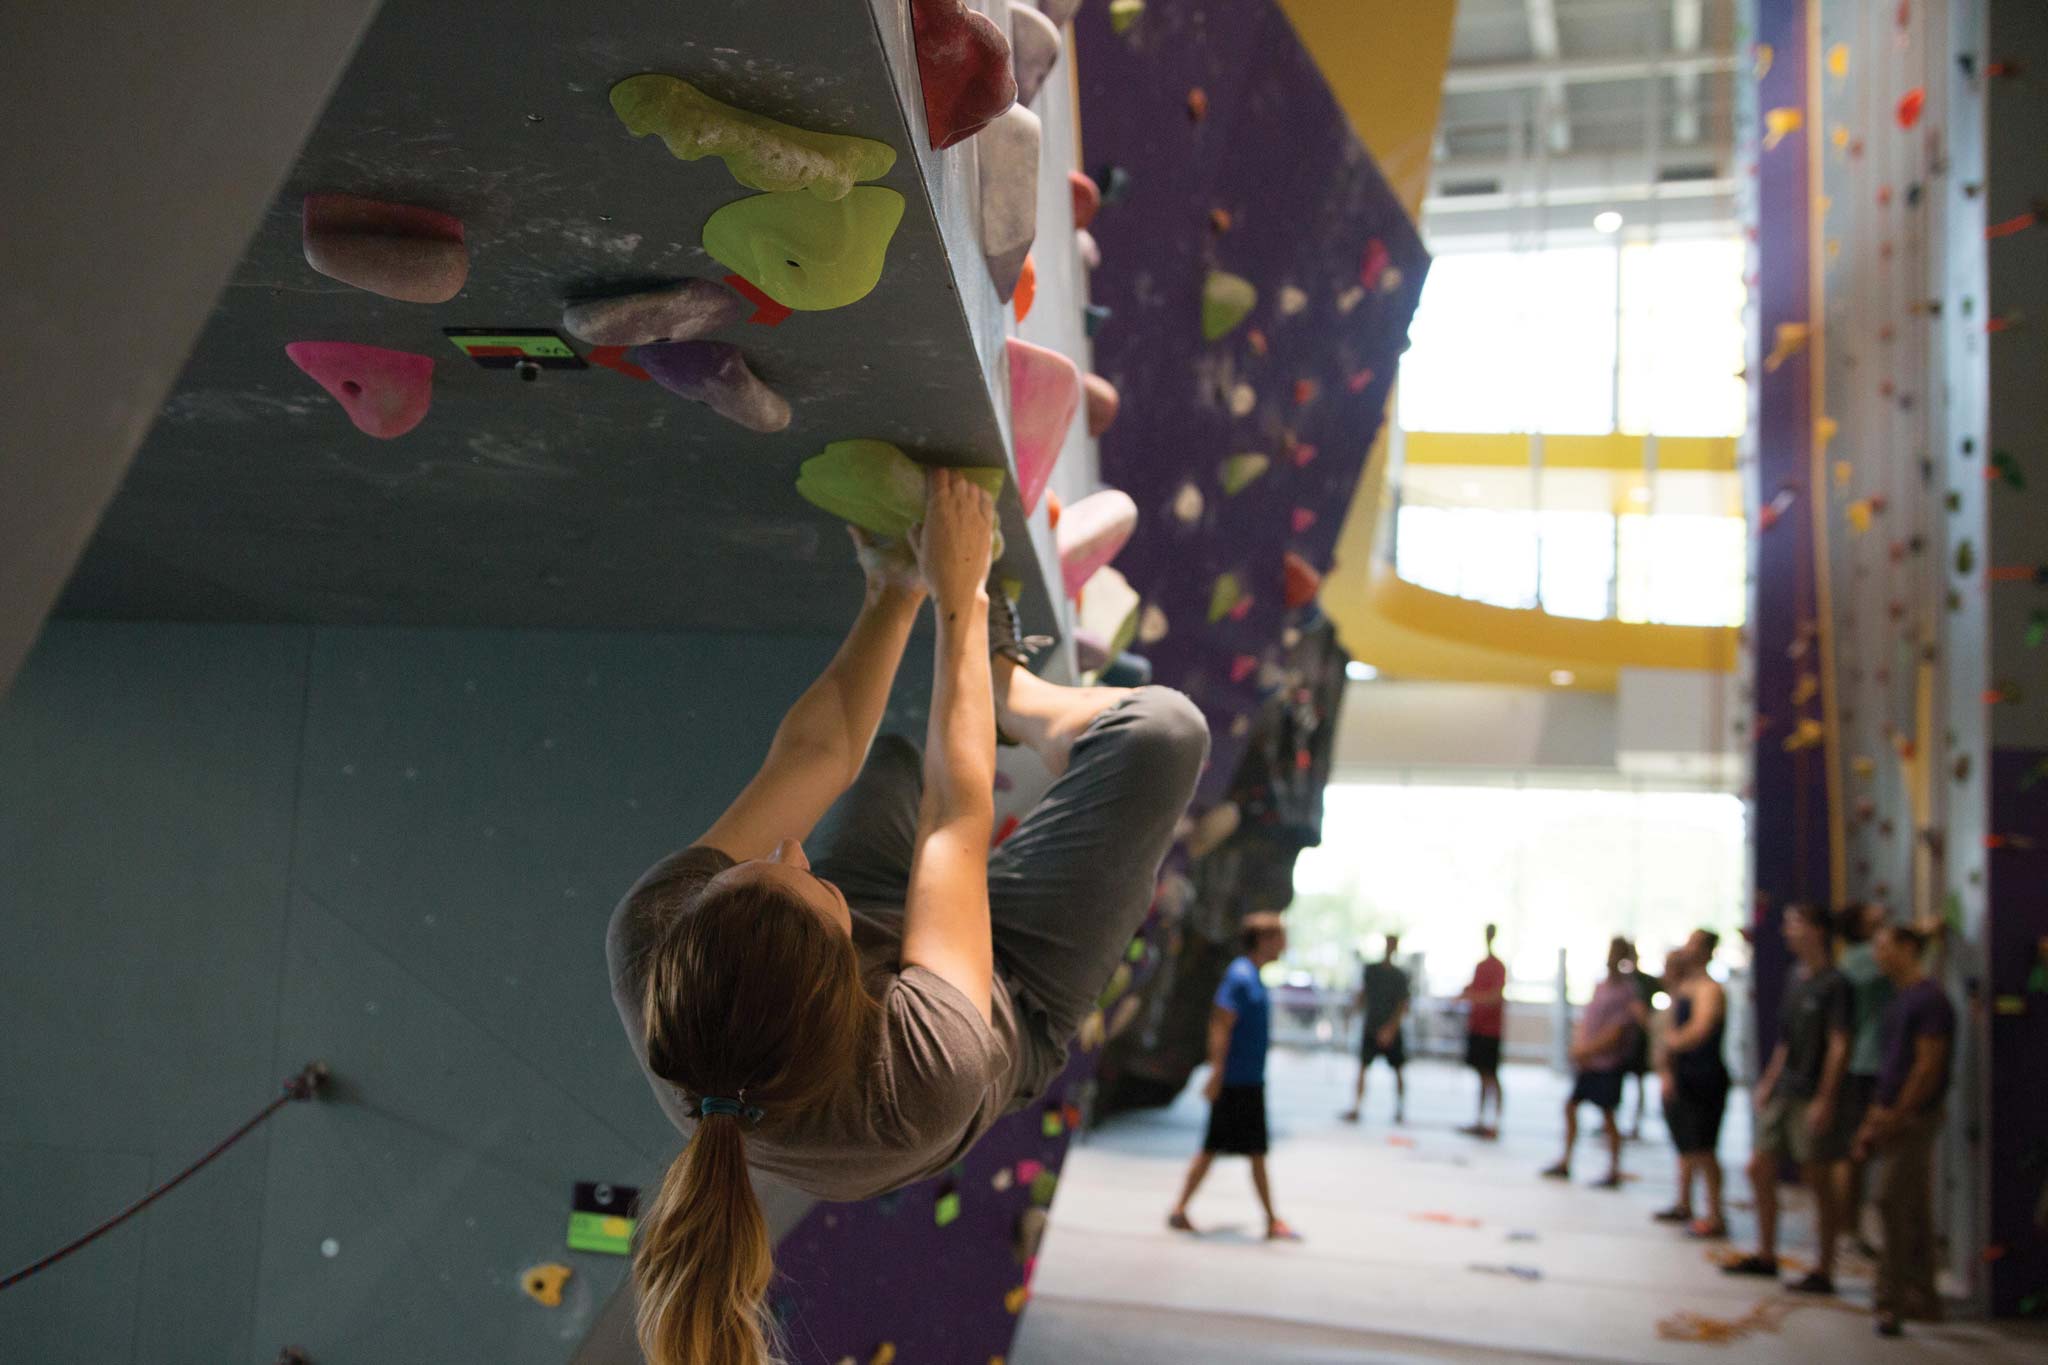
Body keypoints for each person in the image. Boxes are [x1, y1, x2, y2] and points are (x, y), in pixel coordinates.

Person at [606, 472, 1209, 1365]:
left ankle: (914, 609)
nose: (793, 853)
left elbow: (819, 752)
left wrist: (897, 586)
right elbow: (954, 811)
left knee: (882, 759)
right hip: (1011, 998)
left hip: (883, 939)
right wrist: (963, 595)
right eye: (806, 884)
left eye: (758, 875)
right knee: (1163, 732)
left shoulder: (651, 937)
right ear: (846, 969)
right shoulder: (922, 1076)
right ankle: (1022, 698)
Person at [1724, 903, 1854, 1292]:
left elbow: (1838, 1043)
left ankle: (1824, 1268)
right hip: (1786, 1089)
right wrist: (1767, 1081)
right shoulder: (1795, 977)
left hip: (1812, 1092)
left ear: (1816, 929)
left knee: (1817, 1178)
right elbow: (1785, 1040)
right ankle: (1766, 1254)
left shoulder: (1836, 985)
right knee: (1759, 1167)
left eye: (1793, 923)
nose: (1786, 932)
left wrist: (1826, 1098)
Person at [1169, 912, 1301, 1240]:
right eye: (1279, 937)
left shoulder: (1254, 977)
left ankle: (1267, 1218)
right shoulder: (1240, 976)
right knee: (1228, 1148)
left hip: (1249, 1079)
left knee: (1240, 1149)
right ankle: (1267, 1220)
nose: (1283, 944)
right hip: (1236, 1081)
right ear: (1263, 940)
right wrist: (1216, 1073)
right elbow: (1220, 1024)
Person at [1855, 923, 1956, 1338]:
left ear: (1908, 947)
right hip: (1893, 1111)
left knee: (1890, 1202)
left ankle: (1889, 1302)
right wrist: (1876, 1114)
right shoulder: (1900, 1000)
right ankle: (1923, 1296)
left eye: (1883, 945)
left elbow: (1927, 1065)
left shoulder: (1930, 1000)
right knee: (1911, 1208)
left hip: (1912, 1117)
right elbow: (1895, 1064)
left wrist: (1898, 1114)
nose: (1877, 954)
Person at [1543, 936, 1641, 1187]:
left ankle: (1613, 1169)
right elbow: (1588, 1020)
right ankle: (1566, 1160)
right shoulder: (1601, 986)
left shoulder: (1627, 991)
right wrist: (1580, 1048)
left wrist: (1588, 1050)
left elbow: (1617, 1032)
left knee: (1608, 1115)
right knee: (1571, 1107)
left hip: (1607, 1062)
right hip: (1589, 1061)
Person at [1655, 933, 1730, 1238]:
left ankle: (1715, 1214)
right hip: (1684, 1074)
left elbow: (1700, 1028)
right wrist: (1668, 1070)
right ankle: (1684, 1202)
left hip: (1705, 1075)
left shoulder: (1710, 989)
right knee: (1686, 1144)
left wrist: (1670, 1043)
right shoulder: (1684, 987)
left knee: (1704, 1147)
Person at [1836, 900, 1894, 1259]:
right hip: (1864, 1064)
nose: (1879, 909)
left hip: (1877, 1061)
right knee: (1855, 1150)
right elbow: (1897, 957)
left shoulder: (1862, 956)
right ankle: (1848, 1228)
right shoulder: (1858, 958)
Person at [1341, 934, 1410, 1125]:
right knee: (1363, 1068)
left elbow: (1402, 1004)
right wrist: (1351, 1014)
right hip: (1371, 1026)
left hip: (1391, 1029)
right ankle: (1356, 1107)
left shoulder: (1400, 976)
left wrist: (1391, 1029)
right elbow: (1362, 995)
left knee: (1398, 1070)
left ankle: (1400, 1110)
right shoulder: (1371, 971)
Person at [1457, 923, 1508, 1138]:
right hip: (1477, 1027)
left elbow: (1494, 997)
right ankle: (1479, 1119)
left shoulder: (1498, 967)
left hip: (1491, 1030)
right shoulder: (1480, 966)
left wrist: (1473, 997)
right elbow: (1474, 990)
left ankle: (1495, 1122)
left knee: (1491, 1075)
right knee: (1481, 1074)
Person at [1622, 940, 1662, 1140]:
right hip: (1623, 1039)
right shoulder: (1622, 981)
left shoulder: (1646, 981)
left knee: (1638, 1082)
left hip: (1639, 1039)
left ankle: (1636, 1123)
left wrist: (1651, 1024)